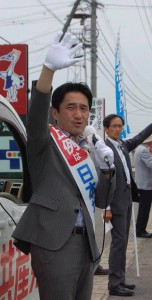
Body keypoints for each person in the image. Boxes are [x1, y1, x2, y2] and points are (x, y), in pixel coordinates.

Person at [12, 31, 116, 300]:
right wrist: (48, 70)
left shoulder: (88, 148)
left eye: (84, 108)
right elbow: (35, 117)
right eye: (71, 107)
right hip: (55, 243)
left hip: (86, 244)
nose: (79, 114)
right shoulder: (44, 142)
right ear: (55, 112)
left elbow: (103, 199)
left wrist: (106, 169)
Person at [102, 108, 152, 297]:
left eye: (120, 126)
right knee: (118, 243)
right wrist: (106, 207)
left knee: (122, 243)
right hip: (114, 203)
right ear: (106, 128)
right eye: (114, 126)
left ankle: (120, 280)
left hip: (126, 200)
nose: (118, 129)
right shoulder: (104, 149)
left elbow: (138, 138)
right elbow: (103, 181)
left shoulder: (122, 145)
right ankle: (114, 284)